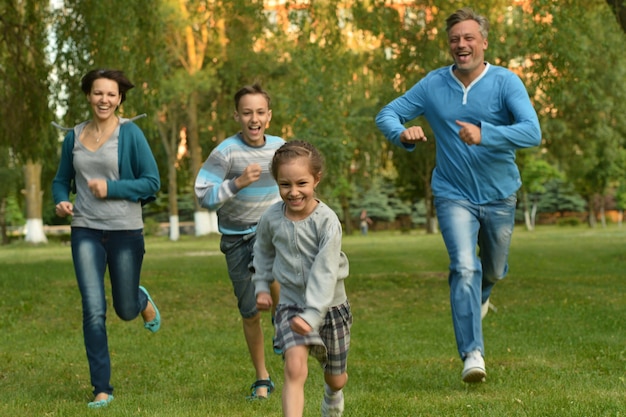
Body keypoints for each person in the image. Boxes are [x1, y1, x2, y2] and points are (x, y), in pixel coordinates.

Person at [375, 7, 541, 383]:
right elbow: (388, 113)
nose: (461, 45)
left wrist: (487, 134)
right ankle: (472, 354)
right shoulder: (433, 85)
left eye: (468, 38)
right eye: (454, 39)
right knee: (464, 267)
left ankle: (481, 296)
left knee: (494, 268)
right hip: (453, 195)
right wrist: (402, 134)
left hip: (500, 195)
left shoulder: (505, 82)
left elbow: (532, 132)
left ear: (484, 42)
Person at [52, 69, 161, 408]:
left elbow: (151, 182)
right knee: (93, 309)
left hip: (125, 231)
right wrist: (60, 200)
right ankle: (102, 388)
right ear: (89, 95)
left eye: (111, 94)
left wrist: (111, 188)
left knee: (124, 309)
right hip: (85, 229)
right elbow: (61, 179)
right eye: (98, 93)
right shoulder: (74, 135)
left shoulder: (130, 134)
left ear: (119, 98)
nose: (104, 99)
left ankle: (139, 301)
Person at [194, 83, 283, 400]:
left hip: (268, 230)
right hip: (234, 239)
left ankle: (281, 320)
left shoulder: (280, 148)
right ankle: (262, 377)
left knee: (272, 271)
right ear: (237, 116)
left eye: (260, 112)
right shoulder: (226, 152)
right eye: (247, 112)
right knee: (248, 312)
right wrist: (238, 182)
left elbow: (298, 180)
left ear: (268, 117)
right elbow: (203, 195)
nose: (253, 118)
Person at [253, 140, 352, 417]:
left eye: (301, 183)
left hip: (331, 307)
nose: (293, 192)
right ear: (277, 182)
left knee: (336, 377)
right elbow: (262, 252)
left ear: (316, 180)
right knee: (294, 368)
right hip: (291, 305)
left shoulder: (327, 222)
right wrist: (262, 285)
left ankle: (333, 395)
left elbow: (326, 271)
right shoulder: (271, 218)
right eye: (285, 185)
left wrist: (313, 314)